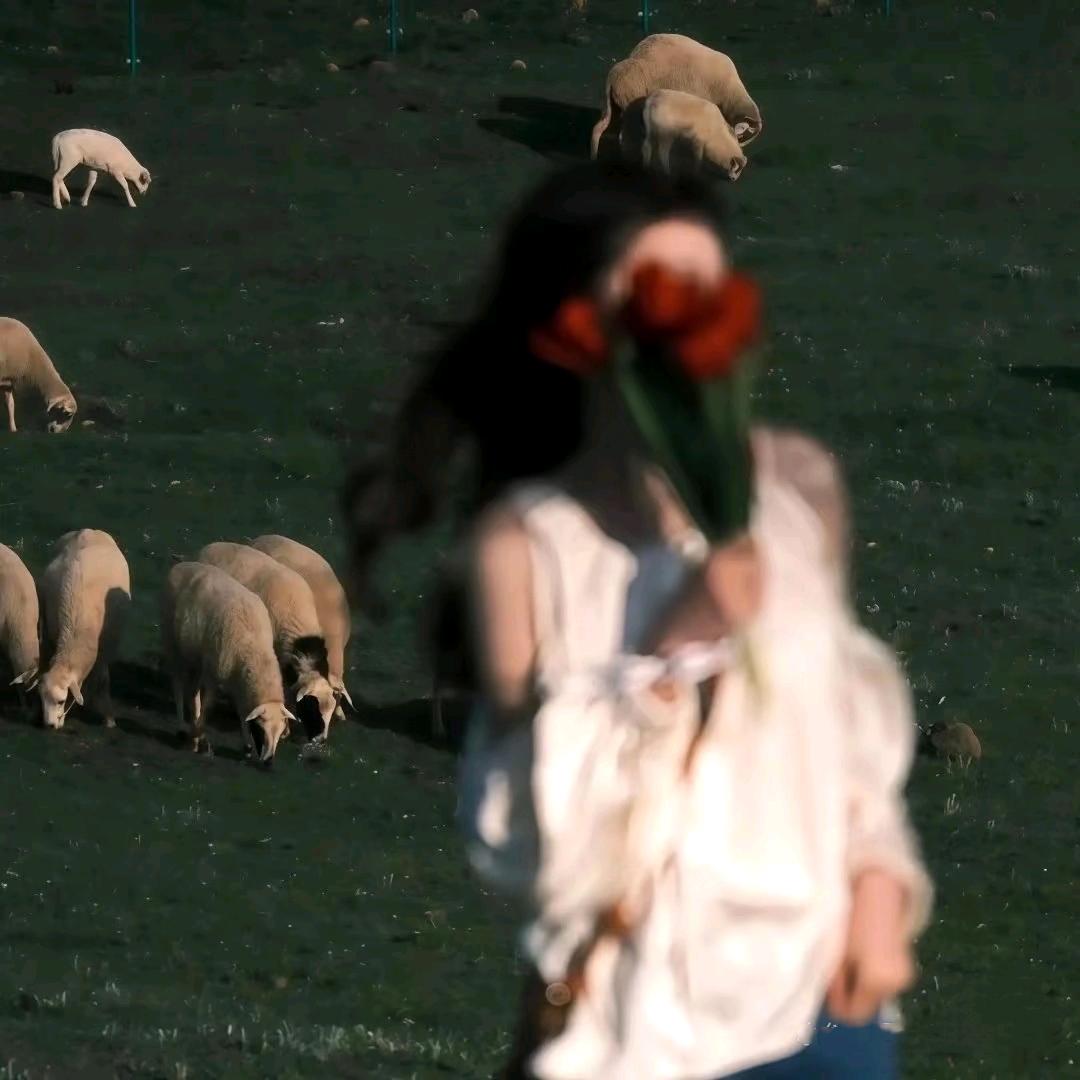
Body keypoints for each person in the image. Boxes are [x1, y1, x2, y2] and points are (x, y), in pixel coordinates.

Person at [435, 163, 932, 1079]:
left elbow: (849, 753)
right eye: (654, 298)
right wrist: (673, 643)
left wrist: (879, 891)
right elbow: (525, 847)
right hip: (643, 1031)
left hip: (825, 1015)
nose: (687, 327)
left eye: (708, 293)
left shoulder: (797, 496)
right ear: (577, 328)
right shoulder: (527, 547)